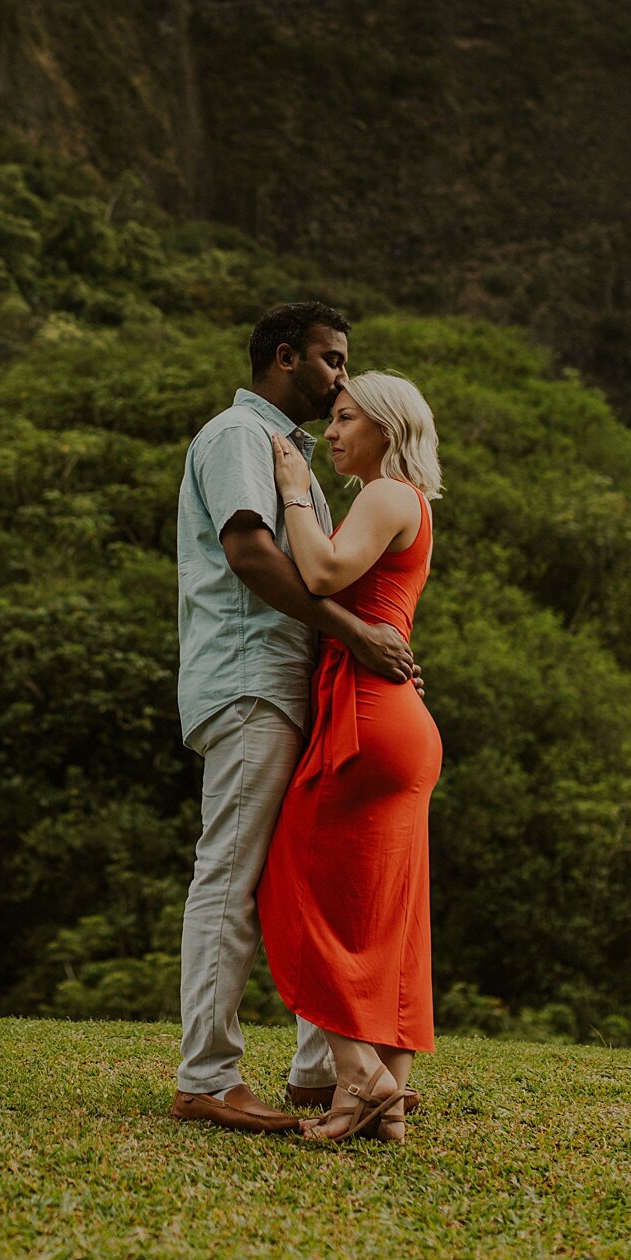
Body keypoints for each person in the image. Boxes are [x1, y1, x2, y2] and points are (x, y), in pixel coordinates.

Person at [170, 304, 422, 1136]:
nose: (343, 377)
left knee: (304, 874)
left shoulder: (297, 460)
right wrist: (356, 635)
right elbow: (249, 552)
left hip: (291, 686)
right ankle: (207, 1074)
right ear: (288, 358)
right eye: (332, 360)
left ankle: (324, 1072)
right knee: (235, 876)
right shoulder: (241, 437)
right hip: (252, 683)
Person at [258, 371, 443, 1144]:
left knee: (293, 886)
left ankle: (358, 1076)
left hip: (367, 719)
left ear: (387, 428)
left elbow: (321, 574)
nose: (330, 433)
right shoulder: (412, 505)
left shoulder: (386, 494)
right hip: (389, 719)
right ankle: (383, 1100)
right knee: (386, 912)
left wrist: (295, 491)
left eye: (344, 419)